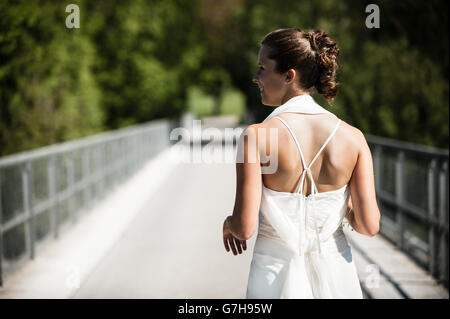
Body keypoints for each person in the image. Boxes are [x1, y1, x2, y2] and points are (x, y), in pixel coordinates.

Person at [222, 28, 381, 298]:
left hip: (273, 276)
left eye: (262, 68)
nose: (255, 77)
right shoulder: (354, 139)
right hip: (337, 277)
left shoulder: (257, 137)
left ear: (289, 76)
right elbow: (369, 226)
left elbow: (244, 227)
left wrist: (228, 224)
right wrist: (341, 209)